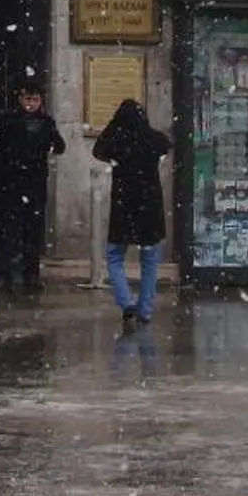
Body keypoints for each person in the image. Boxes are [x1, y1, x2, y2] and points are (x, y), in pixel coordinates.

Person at [91, 98, 171, 330]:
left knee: (115, 257)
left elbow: (99, 149)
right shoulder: (154, 140)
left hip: (123, 204)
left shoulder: (115, 142)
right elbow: (166, 146)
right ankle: (145, 310)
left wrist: (114, 125)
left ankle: (126, 304)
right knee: (149, 261)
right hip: (150, 206)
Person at [0, 81, 65, 292]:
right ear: (21, 100)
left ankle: (30, 274)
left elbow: (59, 145)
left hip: (34, 184)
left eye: (35, 99)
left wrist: (47, 143)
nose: (31, 104)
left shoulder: (46, 122)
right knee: (9, 231)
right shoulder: (8, 121)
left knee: (32, 232)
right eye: (28, 99)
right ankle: (5, 274)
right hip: (12, 184)